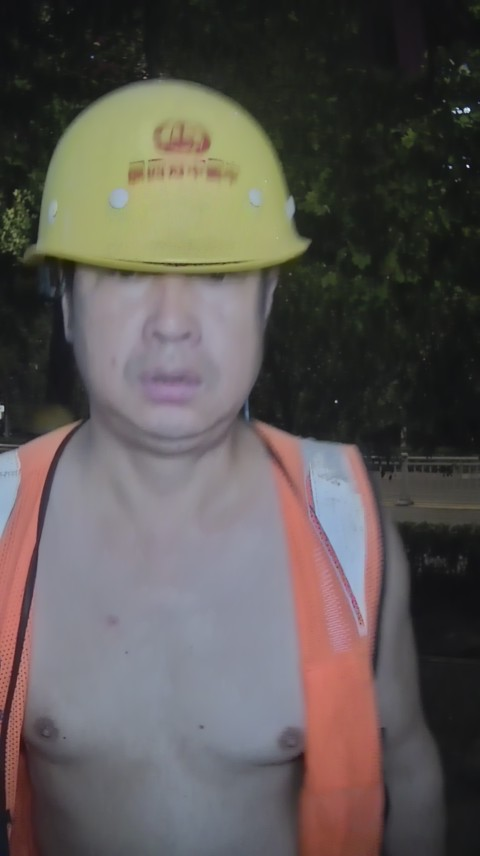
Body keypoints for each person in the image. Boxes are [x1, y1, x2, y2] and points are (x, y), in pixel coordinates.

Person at [0, 79, 444, 856]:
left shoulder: (345, 528)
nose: (172, 325)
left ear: (267, 301)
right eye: (126, 272)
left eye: (218, 276)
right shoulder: (4, 524)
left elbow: (405, 772)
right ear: (65, 302)